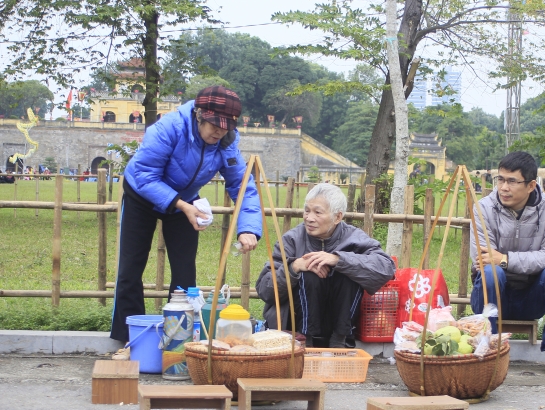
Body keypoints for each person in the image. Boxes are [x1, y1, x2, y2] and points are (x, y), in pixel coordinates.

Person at [110, 86, 262, 354]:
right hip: (142, 194)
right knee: (130, 269)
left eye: (225, 127)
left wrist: (248, 229)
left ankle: (178, 341)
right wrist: (182, 204)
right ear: (199, 115)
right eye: (214, 125)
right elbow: (145, 175)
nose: (218, 132)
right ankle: (130, 341)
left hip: (185, 200)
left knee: (184, 274)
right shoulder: (168, 128)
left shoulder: (227, 142)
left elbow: (242, 186)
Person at [469, 151, 545, 376]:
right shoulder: (483, 209)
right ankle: (487, 349)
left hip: (532, 297)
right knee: (491, 272)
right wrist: (499, 263)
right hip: (493, 296)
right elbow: (483, 259)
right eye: (501, 179)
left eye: (511, 181)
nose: (503, 187)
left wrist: (506, 259)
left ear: (530, 185)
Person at [256, 184, 396, 348]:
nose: (309, 218)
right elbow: (265, 291)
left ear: (337, 217)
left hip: (339, 326)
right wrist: (294, 267)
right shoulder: (291, 240)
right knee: (309, 274)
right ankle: (306, 341)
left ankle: (339, 341)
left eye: (317, 212)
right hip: (298, 325)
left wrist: (339, 260)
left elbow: (387, 267)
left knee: (348, 271)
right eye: (307, 211)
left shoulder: (354, 238)